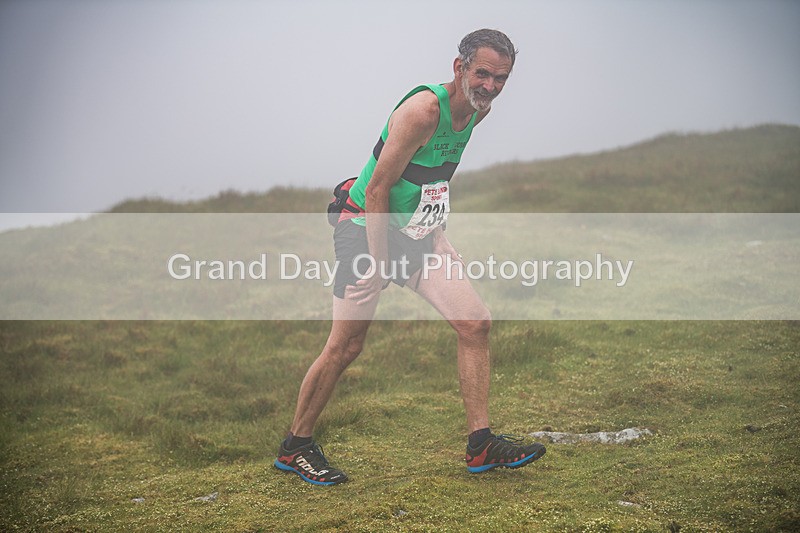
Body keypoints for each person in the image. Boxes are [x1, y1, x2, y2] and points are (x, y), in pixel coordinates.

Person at [274, 29, 545, 486]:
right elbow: (378, 189)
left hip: (413, 230)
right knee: (346, 346)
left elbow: (435, 176)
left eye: (501, 78)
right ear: (459, 68)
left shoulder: (477, 113)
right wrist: (379, 264)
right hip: (364, 226)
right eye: (482, 74)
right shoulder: (423, 111)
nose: (491, 86)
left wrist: (437, 234)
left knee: (474, 322)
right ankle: (295, 447)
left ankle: (480, 446)